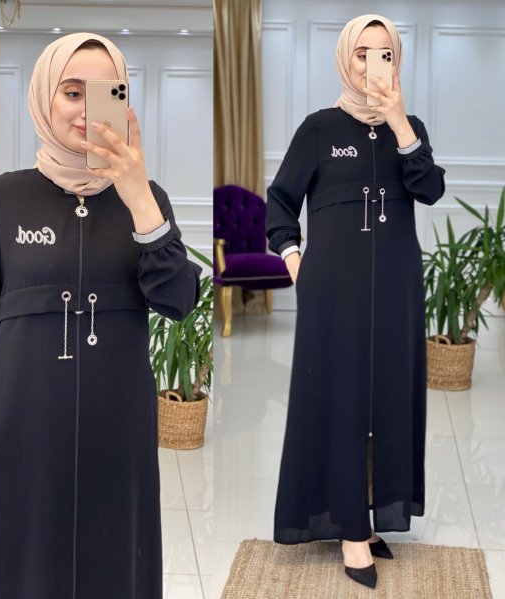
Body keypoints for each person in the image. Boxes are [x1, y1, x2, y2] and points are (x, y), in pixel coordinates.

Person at [0, 32, 201, 599]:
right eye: (72, 92)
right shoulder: (2, 199)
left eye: (106, 93)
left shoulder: (148, 200)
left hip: (115, 438)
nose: (86, 110)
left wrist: (138, 195)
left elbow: (179, 300)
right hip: (13, 434)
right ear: (45, 97)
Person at [265, 14, 445, 589]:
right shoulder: (319, 129)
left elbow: (430, 189)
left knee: (387, 399)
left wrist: (399, 121)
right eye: (362, 53)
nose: (372, 64)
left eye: (384, 52)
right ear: (346, 59)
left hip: (396, 287)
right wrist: (295, 261)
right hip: (332, 294)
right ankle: (346, 525)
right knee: (341, 398)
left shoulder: (409, 128)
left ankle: (368, 513)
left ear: (398, 61)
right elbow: (280, 201)